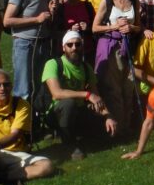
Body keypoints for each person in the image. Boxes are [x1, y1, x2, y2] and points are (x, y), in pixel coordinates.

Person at [42, 31, 117, 159]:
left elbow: (96, 96)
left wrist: (108, 116)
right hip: (55, 113)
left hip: (79, 111)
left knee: (105, 135)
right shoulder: (53, 64)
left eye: (77, 44)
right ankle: (69, 144)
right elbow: (57, 93)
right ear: (63, 47)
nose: (74, 48)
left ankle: (81, 136)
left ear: (82, 46)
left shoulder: (86, 68)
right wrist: (87, 95)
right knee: (68, 103)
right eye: (70, 45)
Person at [92, 0, 141, 133]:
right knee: (114, 89)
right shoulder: (107, 0)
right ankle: (118, 128)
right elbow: (94, 27)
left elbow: (138, 26)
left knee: (129, 87)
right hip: (110, 47)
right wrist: (114, 26)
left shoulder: (134, 0)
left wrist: (131, 28)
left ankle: (127, 125)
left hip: (128, 47)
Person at [3, 0, 58, 101]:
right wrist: (36, 19)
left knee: (41, 87)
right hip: (24, 44)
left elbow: (48, 24)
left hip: (43, 44)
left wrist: (51, 13)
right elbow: (7, 21)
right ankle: (20, 121)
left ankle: (37, 120)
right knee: (23, 88)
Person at [55, 0, 96, 64]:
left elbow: (96, 27)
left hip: (88, 52)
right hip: (68, 54)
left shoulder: (87, 6)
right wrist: (70, 30)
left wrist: (88, 28)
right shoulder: (61, 9)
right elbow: (55, 31)